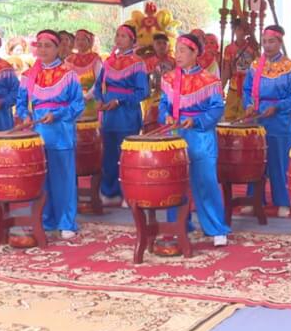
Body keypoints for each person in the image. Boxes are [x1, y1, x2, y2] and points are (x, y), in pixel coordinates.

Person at [159, 33, 230, 246]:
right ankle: (179, 225)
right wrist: (167, 115)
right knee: (176, 182)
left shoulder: (209, 80)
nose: (177, 54)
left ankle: (215, 228)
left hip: (201, 137)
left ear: (195, 53)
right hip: (177, 136)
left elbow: (217, 107)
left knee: (205, 182)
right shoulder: (169, 78)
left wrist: (197, 121)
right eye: (176, 50)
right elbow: (163, 104)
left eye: (182, 50)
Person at [16, 30, 84, 238]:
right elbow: (20, 104)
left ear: (57, 49)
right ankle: (45, 220)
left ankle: (66, 222)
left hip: (61, 134)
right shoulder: (28, 76)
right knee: (41, 181)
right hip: (37, 135)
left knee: (63, 179)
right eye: (40, 46)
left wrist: (58, 114)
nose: (43, 50)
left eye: (48, 46)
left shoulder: (68, 74)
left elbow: (78, 104)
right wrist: (25, 115)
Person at [242, 25, 291, 217]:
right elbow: (247, 90)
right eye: (265, 41)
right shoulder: (254, 66)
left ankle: (283, 201)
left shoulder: (290, 67)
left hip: (280, 121)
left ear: (280, 42)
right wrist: (250, 105)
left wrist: (277, 108)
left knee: (279, 161)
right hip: (258, 119)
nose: (267, 46)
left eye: (271, 41)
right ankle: (254, 199)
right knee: (256, 161)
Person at [94, 24, 149, 206]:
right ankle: (109, 192)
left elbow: (143, 92)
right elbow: (97, 86)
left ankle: (129, 193)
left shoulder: (138, 63)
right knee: (108, 154)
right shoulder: (108, 62)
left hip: (127, 114)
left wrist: (119, 101)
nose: (119, 39)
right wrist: (100, 100)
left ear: (132, 40)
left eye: (123, 36)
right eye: (117, 35)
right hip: (109, 116)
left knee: (127, 155)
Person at [222, 20, 258, 120]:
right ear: (233, 30)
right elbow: (226, 70)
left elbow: (258, 67)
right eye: (237, 29)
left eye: (242, 29)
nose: (240, 32)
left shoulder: (253, 47)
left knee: (245, 117)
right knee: (229, 116)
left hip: (248, 88)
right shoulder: (229, 49)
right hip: (233, 86)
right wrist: (220, 88)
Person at [64, 29, 103, 119]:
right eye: (77, 39)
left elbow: (99, 81)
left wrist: (86, 96)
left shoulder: (95, 59)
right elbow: (65, 82)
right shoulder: (69, 60)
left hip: (91, 101)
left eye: (83, 39)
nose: (80, 42)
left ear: (89, 42)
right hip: (73, 101)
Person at [143, 33, 176, 131]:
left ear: (168, 46)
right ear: (153, 45)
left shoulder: (174, 62)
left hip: (169, 98)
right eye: (158, 43)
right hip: (152, 99)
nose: (161, 46)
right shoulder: (147, 61)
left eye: (164, 43)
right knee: (151, 125)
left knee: (167, 127)